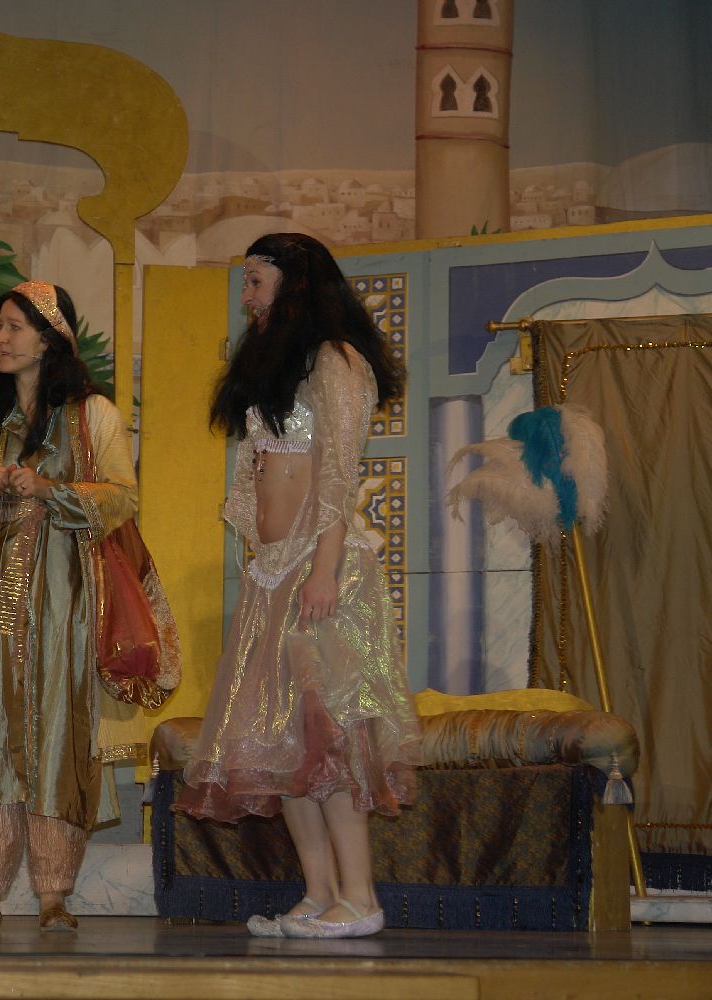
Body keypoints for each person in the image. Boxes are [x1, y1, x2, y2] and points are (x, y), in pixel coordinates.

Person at [175, 233, 421, 939]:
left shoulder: (336, 360)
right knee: (282, 746)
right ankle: (317, 894)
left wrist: (322, 569)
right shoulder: (276, 366)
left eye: (257, 281)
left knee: (329, 741)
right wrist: (267, 562)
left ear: (296, 283)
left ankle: (360, 897)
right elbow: (259, 472)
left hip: (322, 571)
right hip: (274, 572)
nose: (247, 296)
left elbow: (338, 472)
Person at [0, 280, 153, 932]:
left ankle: (54, 892)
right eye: (0, 327)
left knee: (59, 734)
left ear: (49, 337)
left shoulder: (94, 416)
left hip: (68, 605)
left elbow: (122, 497)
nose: (1, 339)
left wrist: (50, 489)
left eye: (14, 327)